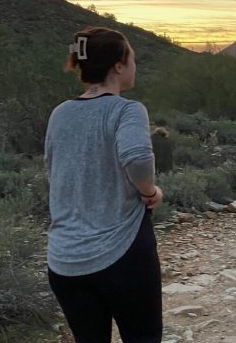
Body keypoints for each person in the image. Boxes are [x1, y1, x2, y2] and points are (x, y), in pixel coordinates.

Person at [44, 27, 163, 343]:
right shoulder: (127, 109)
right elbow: (137, 157)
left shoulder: (60, 113)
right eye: (133, 59)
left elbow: (53, 171)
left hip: (66, 260)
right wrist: (149, 192)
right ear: (119, 66)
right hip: (121, 253)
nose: (135, 66)